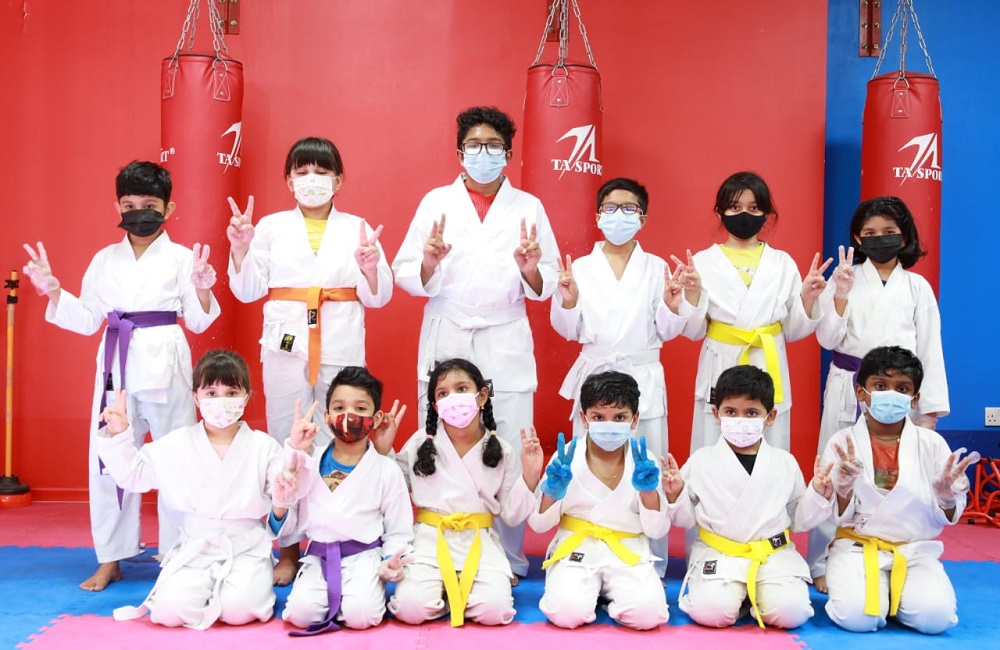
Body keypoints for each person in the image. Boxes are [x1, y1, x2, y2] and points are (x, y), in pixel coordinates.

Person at [21, 160, 220, 591]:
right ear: (117, 207)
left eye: (149, 204)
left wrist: (203, 288)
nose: (138, 213)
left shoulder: (183, 259)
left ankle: (178, 552)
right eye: (129, 205)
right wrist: (54, 291)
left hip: (168, 363)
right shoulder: (104, 260)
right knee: (108, 459)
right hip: (116, 364)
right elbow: (87, 318)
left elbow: (200, 321)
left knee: (176, 458)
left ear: (168, 209)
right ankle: (111, 556)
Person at [391, 106, 558, 579]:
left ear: (508, 153)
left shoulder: (528, 207)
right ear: (459, 152)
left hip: (504, 330)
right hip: (450, 327)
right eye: (474, 145)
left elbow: (546, 280)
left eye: (493, 146)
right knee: (444, 435)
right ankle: (440, 541)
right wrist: (429, 262)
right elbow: (405, 271)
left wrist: (530, 270)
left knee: (507, 438)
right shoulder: (436, 202)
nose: (484, 154)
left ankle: (508, 555)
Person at [227, 136, 392, 584]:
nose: (312, 180)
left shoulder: (358, 227)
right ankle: (287, 548)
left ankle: (337, 539)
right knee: (288, 438)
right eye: (302, 172)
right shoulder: (270, 227)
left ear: (339, 180)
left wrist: (370, 266)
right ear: (288, 180)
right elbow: (247, 290)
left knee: (342, 435)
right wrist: (241, 248)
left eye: (322, 172)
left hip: (340, 341)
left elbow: (379, 296)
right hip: (285, 345)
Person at [550, 177, 701, 577]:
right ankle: (585, 546)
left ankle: (650, 558)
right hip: (596, 376)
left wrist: (673, 305)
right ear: (598, 215)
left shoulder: (656, 268)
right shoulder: (580, 268)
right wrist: (568, 300)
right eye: (610, 208)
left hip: (642, 375)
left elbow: (667, 330)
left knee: (646, 464)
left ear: (643, 218)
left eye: (629, 208)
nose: (619, 215)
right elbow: (567, 328)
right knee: (587, 463)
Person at [808, 196, 949, 591]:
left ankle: (895, 548)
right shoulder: (846, 277)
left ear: (904, 237)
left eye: (888, 231)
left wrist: (928, 408)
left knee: (893, 472)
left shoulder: (917, 287)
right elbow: (827, 338)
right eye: (869, 232)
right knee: (835, 469)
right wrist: (839, 295)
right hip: (850, 382)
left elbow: (930, 348)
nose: (879, 238)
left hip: (899, 392)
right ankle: (821, 559)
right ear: (856, 238)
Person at [95, 350, 280, 629]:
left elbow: (284, 493)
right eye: (211, 393)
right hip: (195, 546)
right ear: (195, 397)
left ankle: (242, 586)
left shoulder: (263, 446)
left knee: (239, 610)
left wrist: (291, 478)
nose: (221, 401)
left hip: (247, 548)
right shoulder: (177, 444)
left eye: (231, 393)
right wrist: (119, 434)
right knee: (170, 611)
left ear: (246, 397)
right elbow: (134, 475)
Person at [820, 346, 977, 635]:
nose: (890, 394)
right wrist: (842, 491)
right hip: (857, 550)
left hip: (914, 551)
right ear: (860, 392)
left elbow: (948, 513)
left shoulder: (932, 444)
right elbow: (830, 514)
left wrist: (946, 499)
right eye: (880, 386)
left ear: (914, 399)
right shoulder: (843, 443)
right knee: (857, 618)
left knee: (935, 619)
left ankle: (895, 595)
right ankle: (884, 595)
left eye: (902, 388)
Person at [663, 365, 833, 629]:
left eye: (751, 413)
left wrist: (818, 493)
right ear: (716, 414)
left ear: (771, 416)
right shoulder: (701, 460)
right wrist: (675, 493)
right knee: (712, 613)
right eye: (731, 412)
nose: (740, 420)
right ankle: (743, 598)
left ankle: (754, 597)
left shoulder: (784, 462)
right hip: (720, 552)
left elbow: (798, 519)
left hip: (772, 554)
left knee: (792, 613)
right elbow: (685, 520)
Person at [388, 358, 544, 627]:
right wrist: (384, 450)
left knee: (494, 612)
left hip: (479, 541)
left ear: (482, 396)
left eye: (461, 389)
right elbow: (393, 488)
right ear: (436, 406)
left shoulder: (502, 449)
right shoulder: (421, 442)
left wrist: (530, 476)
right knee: (410, 609)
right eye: (443, 393)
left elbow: (511, 514)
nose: (453, 398)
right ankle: (448, 591)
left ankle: (457, 590)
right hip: (429, 540)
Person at [682, 171, 830, 452]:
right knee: (715, 438)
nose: (744, 214)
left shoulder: (782, 262)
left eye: (753, 208)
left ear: (766, 213)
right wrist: (691, 294)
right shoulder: (702, 262)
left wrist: (808, 298)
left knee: (768, 438)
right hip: (721, 360)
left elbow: (794, 330)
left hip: (767, 357)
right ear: (720, 211)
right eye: (734, 207)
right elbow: (693, 330)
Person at [271, 367, 413, 636]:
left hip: (364, 557)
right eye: (339, 408)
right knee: (300, 614)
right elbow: (287, 508)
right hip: (319, 556)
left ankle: (362, 594)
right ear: (327, 417)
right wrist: (294, 453)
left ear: (376, 418)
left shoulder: (386, 469)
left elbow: (398, 528)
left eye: (360, 408)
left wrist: (391, 560)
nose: (349, 415)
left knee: (362, 616)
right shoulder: (308, 461)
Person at [529, 371, 670, 630]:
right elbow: (538, 525)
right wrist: (552, 492)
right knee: (566, 614)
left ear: (635, 419)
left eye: (619, 417)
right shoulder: (566, 458)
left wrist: (649, 492)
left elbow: (657, 530)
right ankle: (588, 593)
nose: (609, 424)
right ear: (584, 418)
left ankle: (605, 598)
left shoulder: (644, 461)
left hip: (627, 547)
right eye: (598, 417)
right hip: (578, 546)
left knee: (648, 616)